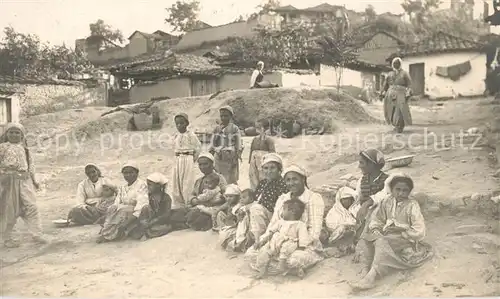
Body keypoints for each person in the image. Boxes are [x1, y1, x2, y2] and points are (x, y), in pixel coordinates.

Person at [350, 173, 433, 290]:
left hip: (404, 238)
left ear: (409, 192)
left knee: (381, 242)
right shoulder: (387, 201)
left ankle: (371, 277)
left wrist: (402, 229)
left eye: (405, 190)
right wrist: (376, 229)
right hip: (386, 235)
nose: (401, 193)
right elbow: (377, 219)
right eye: (397, 189)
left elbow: (420, 230)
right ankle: (365, 271)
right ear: (391, 189)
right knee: (365, 240)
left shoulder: (412, 205)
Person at [246, 164, 324, 278]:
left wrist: (294, 245)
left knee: (294, 259)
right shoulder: (283, 198)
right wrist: (263, 241)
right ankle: (289, 270)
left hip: (303, 245)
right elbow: (273, 224)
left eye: (295, 179)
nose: (291, 183)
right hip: (278, 243)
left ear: (303, 179)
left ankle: (276, 267)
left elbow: (315, 231)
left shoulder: (314, 198)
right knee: (250, 254)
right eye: (288, 180)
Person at [0, 123, 48, 247]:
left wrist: (34, 180)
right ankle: (7, 238)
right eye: (11, 132)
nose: (14, 135)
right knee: (9, 210)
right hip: (8, 182)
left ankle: (37, 234)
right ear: (6, 134)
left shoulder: (25, 150)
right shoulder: (2, 148)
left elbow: (31, 166)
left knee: (31, 206)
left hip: (25, 181)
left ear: (22, 135)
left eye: (17, 132)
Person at [253, 199, 311, 278]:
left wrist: (299, 249)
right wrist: (263, 241)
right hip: (275, 244)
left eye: (284, 209)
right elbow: (271, 232)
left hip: (289, 244)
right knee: (264, 252)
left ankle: (281, 265)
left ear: (292, 211)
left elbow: (303, 239)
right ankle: (265, 269)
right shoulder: (280, 222)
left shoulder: (300, 224)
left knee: (286, 249)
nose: (281, 212)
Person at [97, 163, 149, 243]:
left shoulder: (142, 185)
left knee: (122, 210)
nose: (128, 175)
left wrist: (126, 222)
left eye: (131, 172)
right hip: (122, 211)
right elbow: (117, 201)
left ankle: (109, 235)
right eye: (125, 173)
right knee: (112, 208)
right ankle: (108, 230)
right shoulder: (123, 187)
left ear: (137, 173)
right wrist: (112, 209)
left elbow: (140, 207)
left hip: (135, 214)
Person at [130, 172, 188, 240]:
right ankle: (144, 230)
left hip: (160, 221)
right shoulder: (147, 196)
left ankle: (147, 232)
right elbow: (144, 212)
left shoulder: (166, 198)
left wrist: (151, 222)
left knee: (160, 228)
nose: (148, 187)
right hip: (149, 219)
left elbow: (165, 215)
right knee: (145, 209)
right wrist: (145, 222)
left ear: (158, 186)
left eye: (150, 185)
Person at [351, 149, 390, 246]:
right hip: (365, 213)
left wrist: (367, 203)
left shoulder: (388, 180)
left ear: (372, 164)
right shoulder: (362, 180)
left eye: (362, 163)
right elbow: (358, 197)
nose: (359, 166)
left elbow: (384, 195)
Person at [248, 153, 288, 243]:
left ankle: (259, 241)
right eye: (266, 168)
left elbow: (280, 207)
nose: (269, 171)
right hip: (261, 218)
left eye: (272, 168)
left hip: (276, 218)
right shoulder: (263, 183)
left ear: (279, 170)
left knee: (255, 209)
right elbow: (256, 199)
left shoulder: (282, 184)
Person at [186, 152, 227, 231]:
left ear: (212, 164)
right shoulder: (199, 181)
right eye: (200, 164)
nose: (202, 167)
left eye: (205, 164)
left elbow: (226, 196)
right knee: (176, 213)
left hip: (212, 209)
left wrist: (214, 201)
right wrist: (194, 200)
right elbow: (192, 195)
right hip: (198, 206)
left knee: (195, 218)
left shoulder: (219, 178)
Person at [171, 113, 201, 208]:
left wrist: (192, 159)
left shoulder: (191, 135)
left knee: (187, 180)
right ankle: (178, 201)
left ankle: (188, 200)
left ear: (187, 123)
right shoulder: (176, 135)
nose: (179, 125)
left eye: (181, 123)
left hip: (188, 159)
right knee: (177, 179)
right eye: (177, 124)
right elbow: (174, 147)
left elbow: (198, 148)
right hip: (178, 159)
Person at [209, 105, 242, 184]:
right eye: (222, 116)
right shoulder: (217, 128)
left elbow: (238, 143)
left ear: (231, 116)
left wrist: (237, 154)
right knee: (219, 176)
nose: (223, 118)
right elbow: (212, 142)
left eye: (226, 116)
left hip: (230, 156)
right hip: (219, 156)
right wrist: (212, 151)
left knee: (230, 177)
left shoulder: (234, 128)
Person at [322, 186, 357, 258]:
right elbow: (331, 225)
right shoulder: (334, 211)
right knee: (343, 228)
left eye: (348, 199)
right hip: (336, 236)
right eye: (343, 199)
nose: (345, 201)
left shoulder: (354, 209)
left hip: (354, 234)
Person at [382, 57, 413, 133]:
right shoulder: (389, 74)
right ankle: (395, 125)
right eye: (394, 63)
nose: (396, 65)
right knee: (391, 110)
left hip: (401, 94)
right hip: (390, 94)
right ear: (392, 64)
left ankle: (400, 127)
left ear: (400, 64)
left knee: (400, 110)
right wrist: (382, 92)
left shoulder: (405, 73)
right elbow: (385, 85)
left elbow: (409, 84)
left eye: (397, 63)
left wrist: (408, 92)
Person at [248, 120, 276, 190]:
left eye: (259, 127)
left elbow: (272, 152)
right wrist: (250, 161)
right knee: (253, 176)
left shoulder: (269, 139)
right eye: (256, 127)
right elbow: (252, 150)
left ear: (265, 128)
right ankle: (255, 191)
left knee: (264, 177)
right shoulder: (255, 139)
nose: (257, 129)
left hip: (264, 161)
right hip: (254, 160)